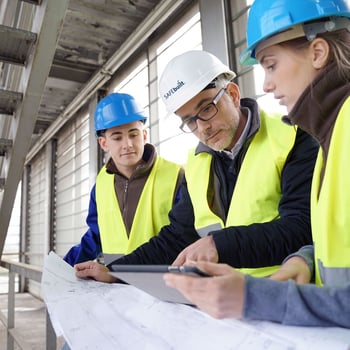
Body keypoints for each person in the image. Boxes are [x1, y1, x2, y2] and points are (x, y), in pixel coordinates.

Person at [163, 0, 350, 329]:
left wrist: (257, 297)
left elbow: (298, 225)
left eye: (271, 65)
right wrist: (305, 258)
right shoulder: (330, 138)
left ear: (318, 52)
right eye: (190, 121)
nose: (265, 84)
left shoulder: (310, 138)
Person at [74, 49, 318, 282]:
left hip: (283, 294)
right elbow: (176, 237)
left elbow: (301, 226)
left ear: (232, 94)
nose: (202, 128)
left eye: (207, 109)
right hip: (222, 302)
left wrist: (218, 244)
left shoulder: (292, 138)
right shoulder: (198, 163)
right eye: (189, 120)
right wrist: (115, 271)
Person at [63, 92, 184, 266]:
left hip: (165, 285)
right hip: (118, 285)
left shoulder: (176, 176)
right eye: (117, 137)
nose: (127, 144)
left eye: (133, 135)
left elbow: (183, 235)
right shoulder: (102, 185)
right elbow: (97, 235)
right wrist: (64, 266)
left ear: (144, 136)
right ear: (104, 144)